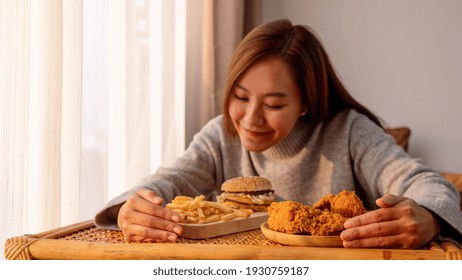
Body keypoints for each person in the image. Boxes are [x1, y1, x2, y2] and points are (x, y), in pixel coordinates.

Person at [95, 19, 462, 248]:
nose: (250, 119)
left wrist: (428, 216)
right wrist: (132, 209)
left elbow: (425, 184)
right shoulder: (220, 137)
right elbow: (164, 182)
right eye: (240, 97)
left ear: (305, 102)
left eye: (273, 105)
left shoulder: (349, 132)